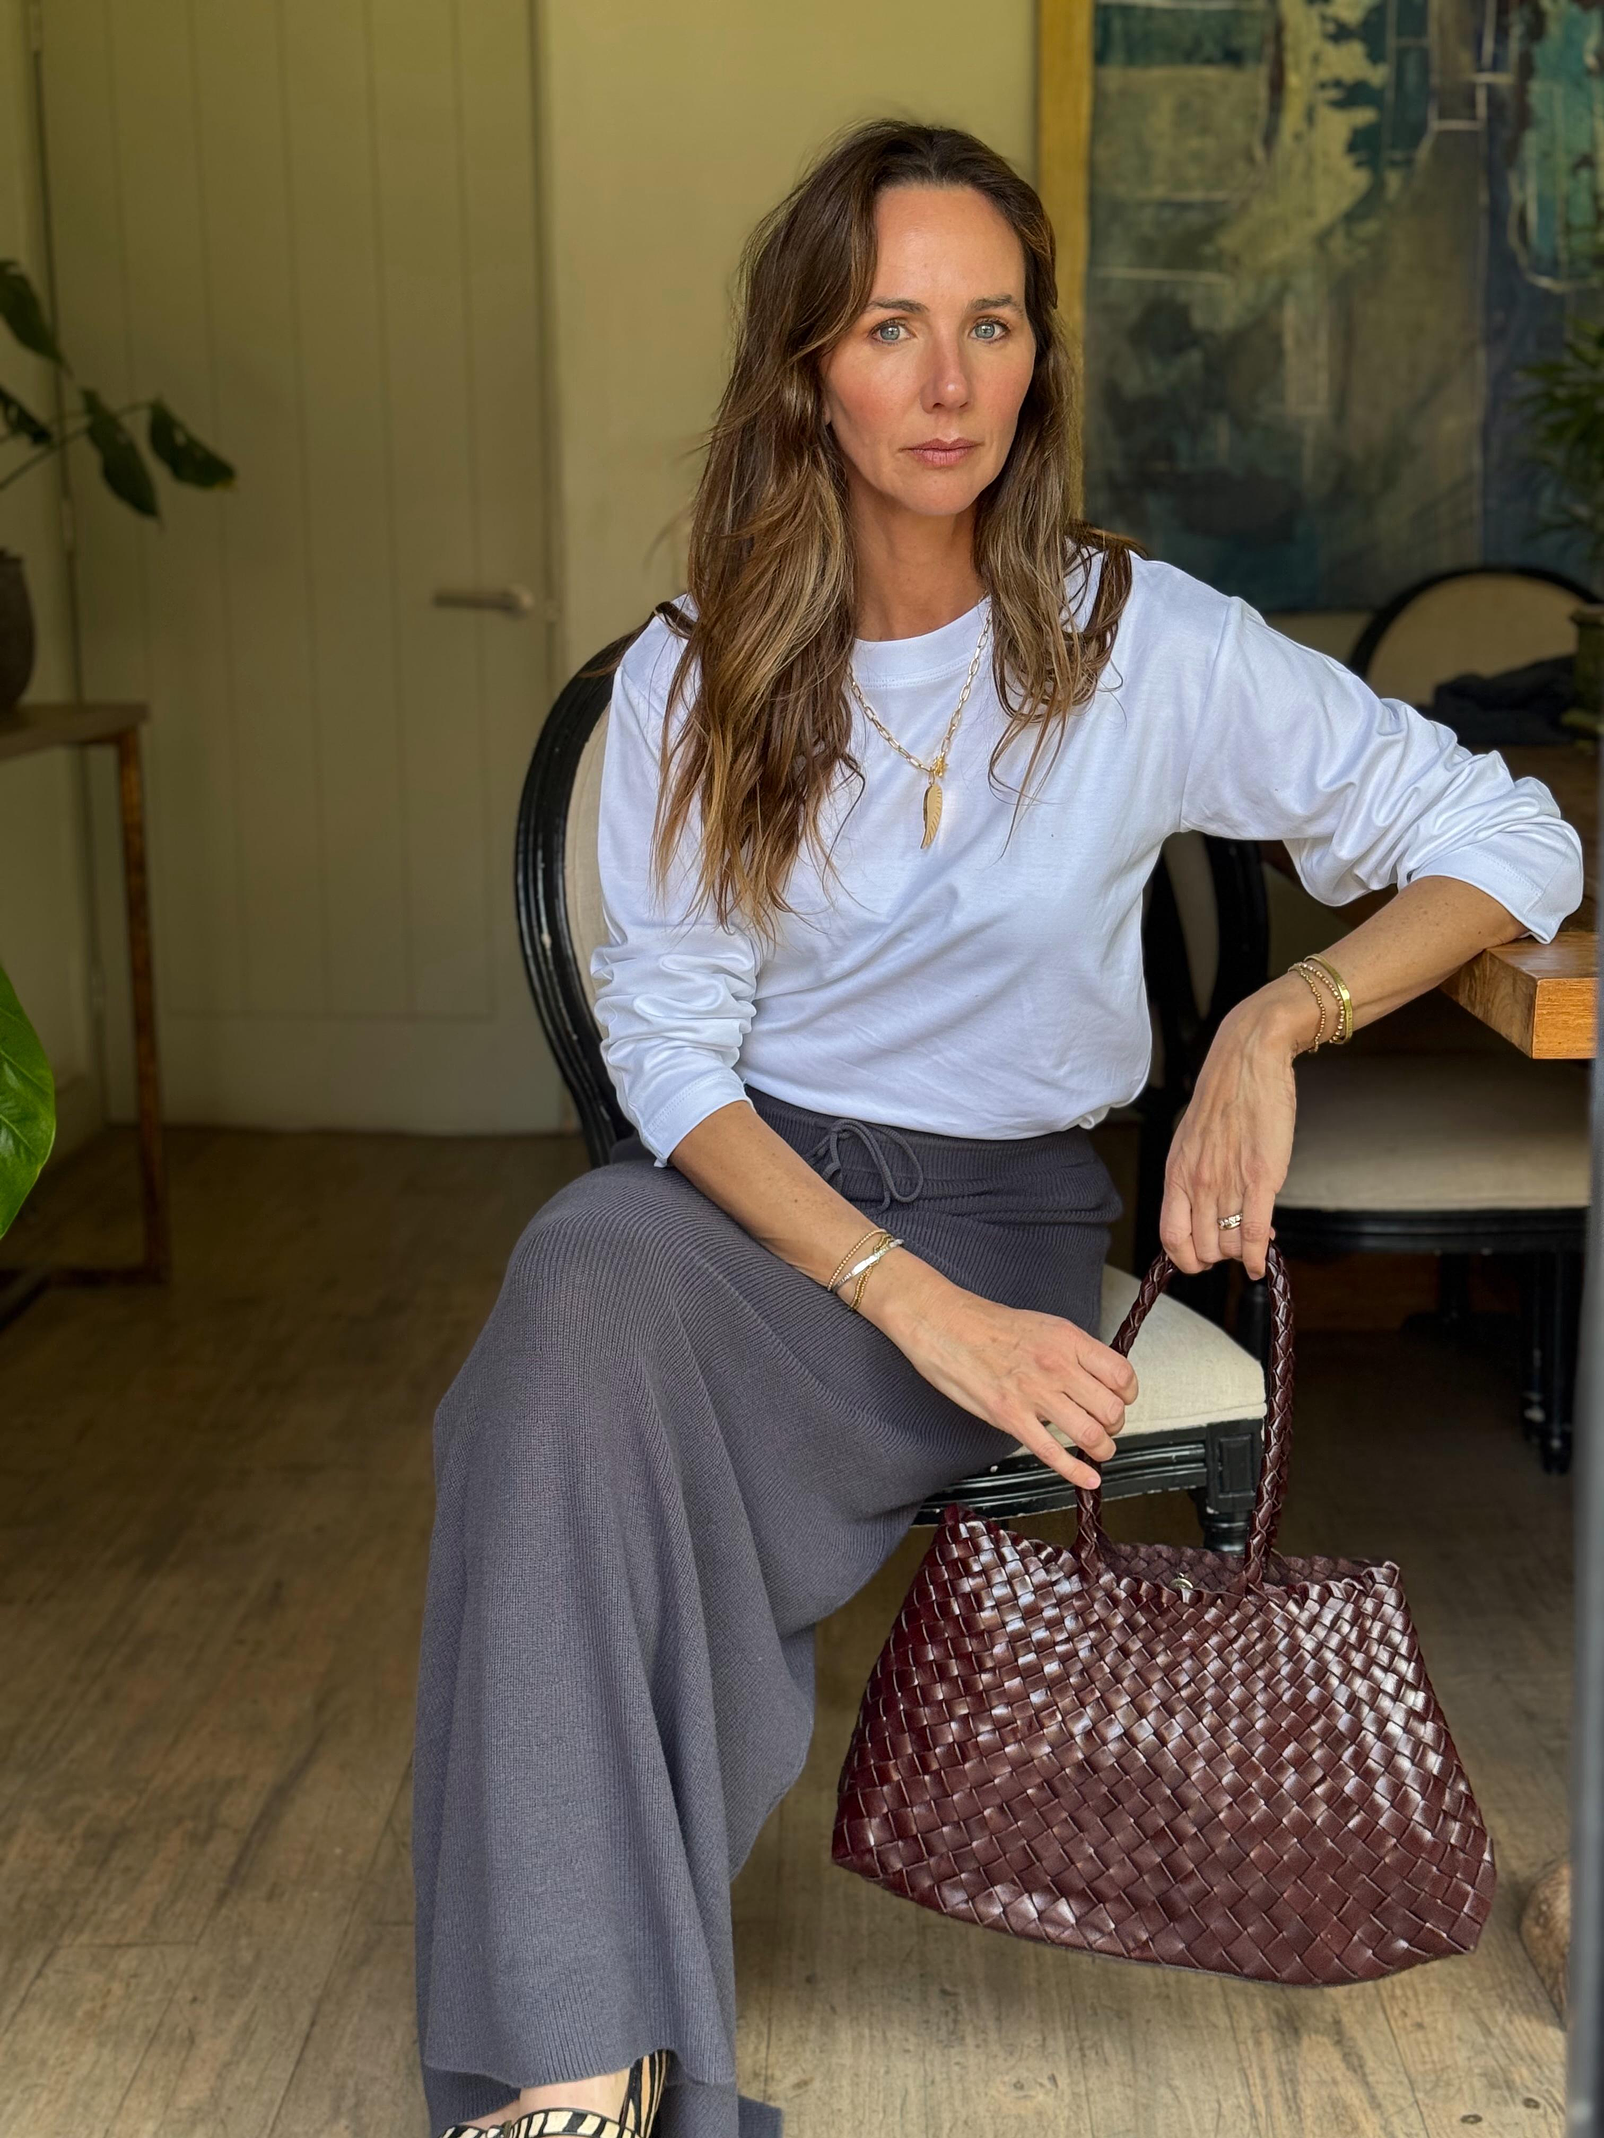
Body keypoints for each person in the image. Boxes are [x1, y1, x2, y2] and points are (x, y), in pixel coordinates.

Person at [412, 118, 1583, 2138]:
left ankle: (581, 2042)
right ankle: (577, 2078)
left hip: (1004, 1210)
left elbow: (1513, 836)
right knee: (574, 1290)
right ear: (808, 368)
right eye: (891, 326)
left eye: (992, 324)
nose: (947, 380)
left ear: (1039, 359)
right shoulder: (699, 670)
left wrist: (1279, 1020)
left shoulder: (1134, 638)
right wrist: (900, 1301)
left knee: (582, 1400)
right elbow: (668, 1061)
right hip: (758, 1205)